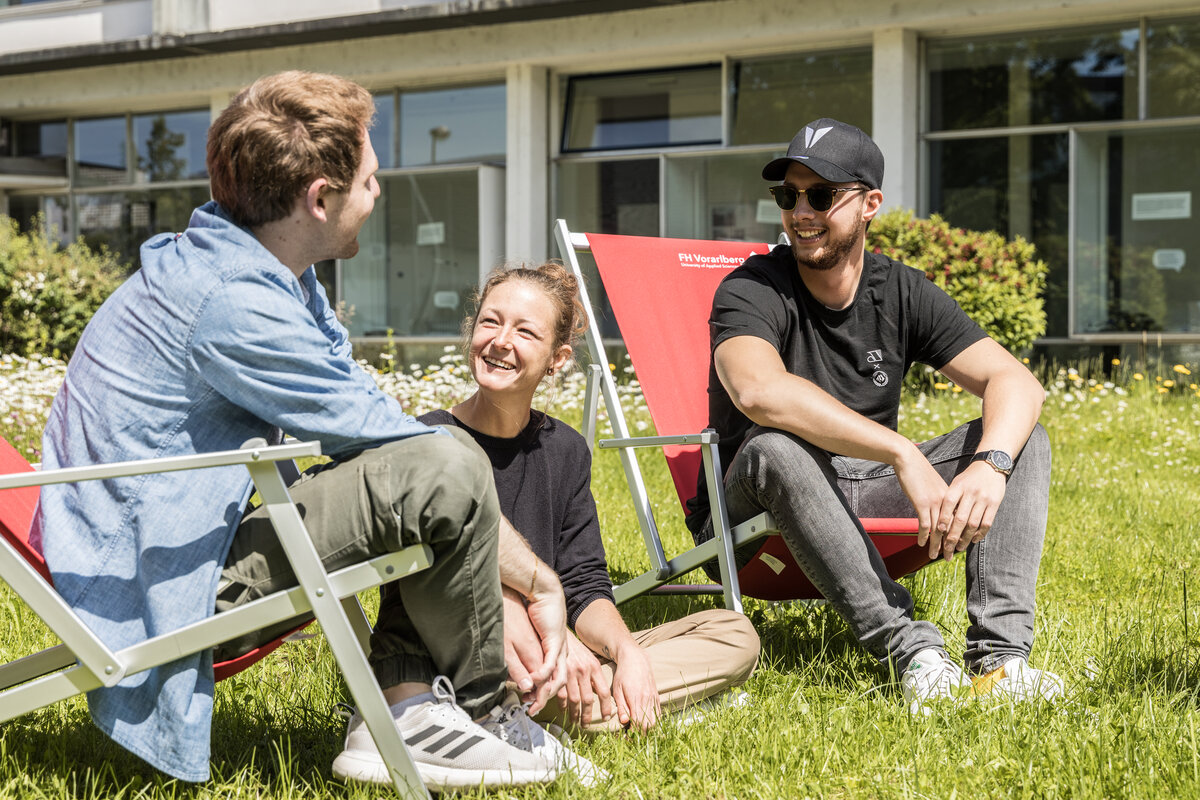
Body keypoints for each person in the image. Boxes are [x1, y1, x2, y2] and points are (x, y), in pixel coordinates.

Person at [30, 71, 579, 791]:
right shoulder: (234, 299)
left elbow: (364, 414)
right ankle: (480, 713)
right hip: (156, 581)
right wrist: (536, 581)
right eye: (370, 181)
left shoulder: (264, 268)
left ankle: (415, 704)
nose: (377, 193)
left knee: (435, 464)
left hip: (166, 538)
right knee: (448, 465)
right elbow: (398, 446)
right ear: (320, 199)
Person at [687, 117, 1063, 714]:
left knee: (1023, 439)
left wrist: (990, 465)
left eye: (821, 195)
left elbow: (1015, 381)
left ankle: (1000, 662)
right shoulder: (752, 288)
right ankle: (912, 652)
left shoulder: (900, 290)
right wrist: (900, 451)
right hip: (749, 518)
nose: (800, 212)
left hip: (860, 490)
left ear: (869, 204)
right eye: (788, 195)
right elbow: (757, 392)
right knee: (774, 447)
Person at [419, 261, 760, 735]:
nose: (500, 341)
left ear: (557, 358)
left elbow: (583, 584)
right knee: (534, 674)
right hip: (474, 651)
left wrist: (627, 652)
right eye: (490, 322)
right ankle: (639, 704)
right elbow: (438, 578)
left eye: (524, 331)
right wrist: (558, 644)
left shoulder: (565, 449)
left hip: (555, 653)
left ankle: (606, 697)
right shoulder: (429, 438)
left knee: (735, 632)